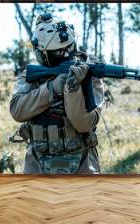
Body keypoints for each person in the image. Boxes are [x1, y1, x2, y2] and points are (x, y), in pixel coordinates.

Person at [9, 13, 104, 174]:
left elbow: (84, 124)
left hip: (82, 163)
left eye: (66, 50)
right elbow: (17, 111)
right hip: (38, 165)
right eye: (58, 53)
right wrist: (52, 88)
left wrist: (73, 88)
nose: (65, 55)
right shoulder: (30, 75)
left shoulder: (89, 75)